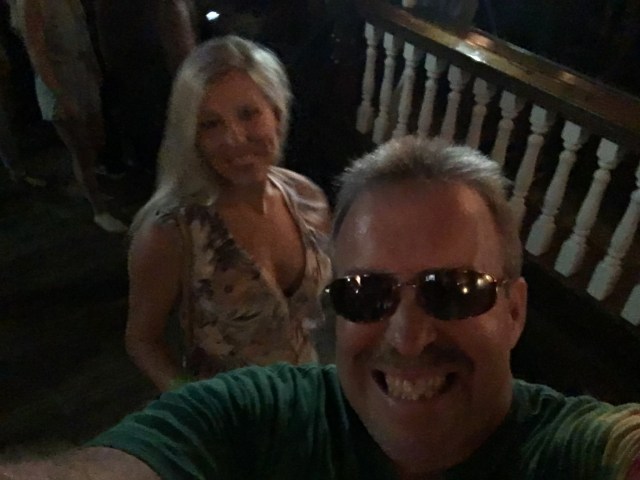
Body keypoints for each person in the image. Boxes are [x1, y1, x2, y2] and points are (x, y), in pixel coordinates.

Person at [2, 136, 640, 479]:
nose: (408, 336)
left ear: (514, 311)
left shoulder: (571, 449)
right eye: (366, 294)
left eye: (452, 289)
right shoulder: (261, 416)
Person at [125, 35, 332, 393]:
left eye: (248, 114)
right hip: (230, 414)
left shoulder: (307, 199)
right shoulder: (171, 232)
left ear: (276, 112)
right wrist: (197, 403)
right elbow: (142, 340)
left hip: (310, 398)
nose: (234, 138)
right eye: (210, 124)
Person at [15, 0, 127, 232]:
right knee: (81, 148)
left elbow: (81, 35)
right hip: (60, 78)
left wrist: (94, 69)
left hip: (82, 72)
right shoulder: (32, 4)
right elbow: (37, 52)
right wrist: (60, 94)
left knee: (96, 137)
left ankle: (86, 185)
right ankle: (99, 210)